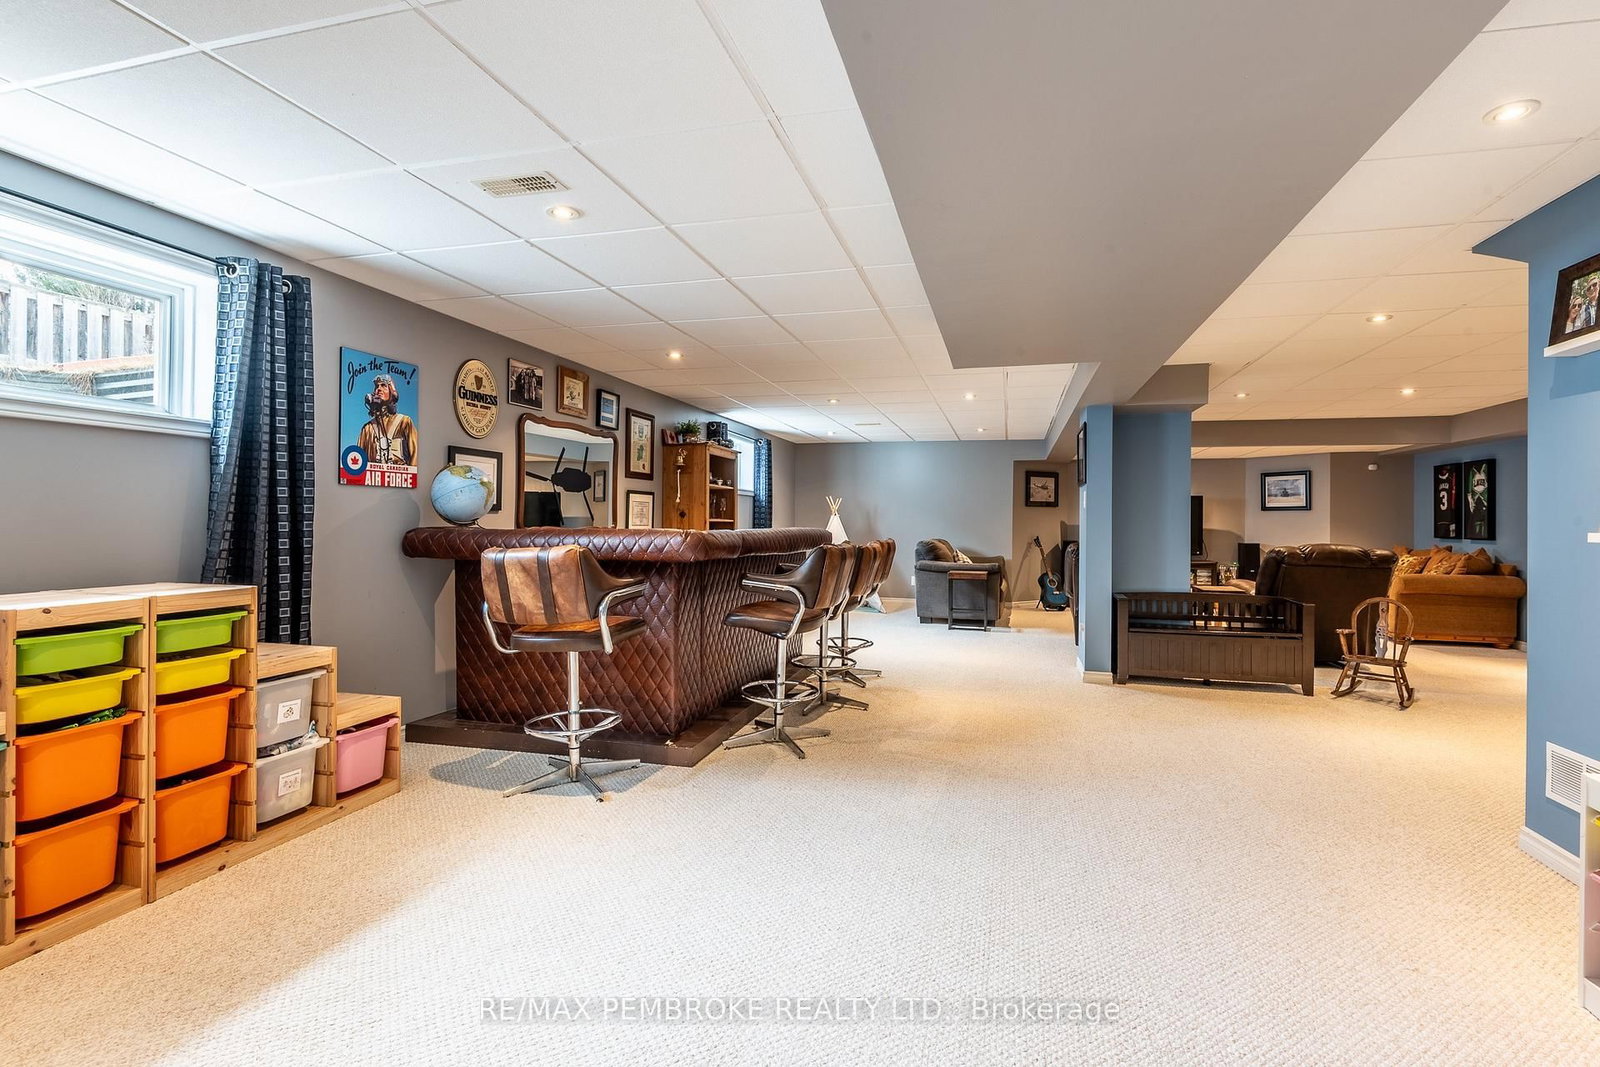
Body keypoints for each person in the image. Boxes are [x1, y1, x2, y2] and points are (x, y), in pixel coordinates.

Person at [356, 374, 417, 467]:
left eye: (383, 385)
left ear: (392, 392)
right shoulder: (367, 429)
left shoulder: (405, 422)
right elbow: (358, 463)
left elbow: (415, 455)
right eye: (377, 386)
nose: (379, 389)